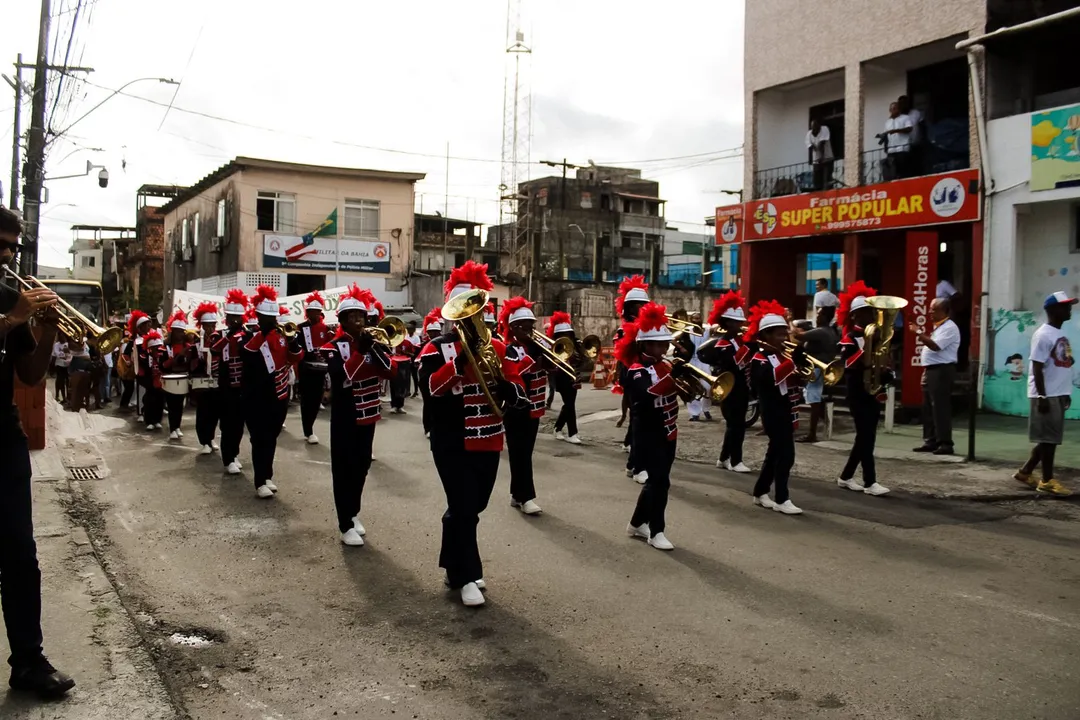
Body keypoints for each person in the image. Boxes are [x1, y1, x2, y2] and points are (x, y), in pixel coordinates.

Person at [418, 261, 527, 607]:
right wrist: (460, 364)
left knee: (471, 506)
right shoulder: (435, 348)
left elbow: (515, 378)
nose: (469, 319)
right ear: (452, 315)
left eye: (474, 311)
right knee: (464, 506)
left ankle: (454, 564)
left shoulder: (495, 346)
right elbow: (430, 388)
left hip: (489, 439)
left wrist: (513, 389)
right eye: (462, 313)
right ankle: (467, 574)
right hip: (452, 442)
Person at [0, 208, 76, 699]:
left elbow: (29, 376)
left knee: (21, 554)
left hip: (2, 437)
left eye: (13, 245)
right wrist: (14, 319)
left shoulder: (9, 294)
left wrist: (48, 326)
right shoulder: (11, 306)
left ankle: (28, 659)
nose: (7, 254)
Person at [322, 285, 397, 545]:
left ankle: (352, 512)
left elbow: (391, 372)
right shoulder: (333, 347)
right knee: (343, 469)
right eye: (351, 316)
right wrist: (360, 352)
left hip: (369, 415)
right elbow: (341, 378)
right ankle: (345, 524)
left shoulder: (371, 342)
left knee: (362, 466)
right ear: (341, 321)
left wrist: (375, 349)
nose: (357, 320)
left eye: (361, 316)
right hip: (345, 416)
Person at [620, 303, 680, 551]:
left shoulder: (664, 365)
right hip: (648, 434)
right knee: (660, 482)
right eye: (656, 344)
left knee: (657, 481)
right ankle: (657, 531)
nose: (662, 348)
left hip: (669, 431)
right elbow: (646, 394)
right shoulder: (635, 371)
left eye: (664, 343)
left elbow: (679, 392)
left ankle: (635, 524)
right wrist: (673, 377)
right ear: (643, 345)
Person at [243, 286, 304, 499]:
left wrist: (293, 339)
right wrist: (264, 332)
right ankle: (260, 481)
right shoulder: (253, 337)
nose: (270, 320)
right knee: (259, 438)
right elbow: (249, 356)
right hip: (257, 396)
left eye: (272, 317)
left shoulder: (282, 336)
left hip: (279, 393)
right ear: (258, 317)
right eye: (265, 317)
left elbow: (297, 357)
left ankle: (267, 475)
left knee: (271, 437)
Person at [1013, 292, 1077, 496]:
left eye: (1069, 305)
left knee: (1048, 439)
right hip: (1046, 394)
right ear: (1052, 310)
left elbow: (1065, 364)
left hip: (1058, 393)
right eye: (1065, 306)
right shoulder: (1043, 335)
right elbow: (1037, 367)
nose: (1069, 309)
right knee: (1049, 440)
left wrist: (1066, 392)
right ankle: (1047, 480)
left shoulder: (1060, 335)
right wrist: (1042, 396)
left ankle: (1025, 472)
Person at [747, 300, 805, 515]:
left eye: (784, 333)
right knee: (785, 455)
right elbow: (768, 381)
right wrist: (792, 364)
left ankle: (760, 491)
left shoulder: (781, 356)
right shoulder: (759, 359)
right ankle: (782, 498)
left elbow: (787, 381)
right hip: (772, 410)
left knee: (775, 454)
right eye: (778, 334)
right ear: (765, 336)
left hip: (786, 407)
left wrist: (799, 375)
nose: (783, 338)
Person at [835, 282, 892, 496]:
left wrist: (886, 370)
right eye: (864, 312)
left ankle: (847, 476)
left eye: (871, 311)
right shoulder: (849, 339)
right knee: (865, 436)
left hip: (873, 390)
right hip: (857, 391)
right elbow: (846, 364)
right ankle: (870, 482)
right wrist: (867, 348)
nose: (870, 316)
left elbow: (881, 362)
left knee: (867, 437)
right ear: (855, 316)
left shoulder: (876, 337)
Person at [500, 297, 547, 515]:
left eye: (531, 327)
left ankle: (517, 494)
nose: (530, 331)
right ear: (514, 328)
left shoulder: (538, 347)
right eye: (526, 328)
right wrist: (532, 358)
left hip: (534, 408)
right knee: (520, 453)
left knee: (525, 452)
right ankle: (526, 497)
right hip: (516, 408)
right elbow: (513, 374)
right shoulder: (508, 348)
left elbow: (551, 369)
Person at [701, 291, 753, 473]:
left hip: (741, 387)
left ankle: (724, 458)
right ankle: (735, 460)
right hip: (730, 388)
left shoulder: (739, 341)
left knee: (736, 424)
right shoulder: (723, 343)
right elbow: (735, 363)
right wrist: (751, 346)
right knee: (736, 425)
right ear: (728, 323)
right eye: (737, 322)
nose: (741, 325)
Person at [910, 298, 960, 455]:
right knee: (928, 407)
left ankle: (945, 443)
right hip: (931, 370)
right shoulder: (938, 327)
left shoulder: (950, 328)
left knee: (940, 407)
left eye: (934, 309)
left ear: (944, 311)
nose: (930, 312)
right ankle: (930, 440)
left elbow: (935, 346)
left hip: (942, 371)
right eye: (930, 309)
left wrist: (918, 332)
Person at [614, 275, 651, 484]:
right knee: (639, 420)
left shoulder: (647, 326)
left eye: (643, 304)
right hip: (633, 375)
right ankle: (637, 466)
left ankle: (633, 464)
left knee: (642, 421)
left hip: (649, 375)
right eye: (636, 305)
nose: (640, 308)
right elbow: (624, 355)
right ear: (628, 308)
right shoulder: (623, 329)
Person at [210, 289, 250, 475]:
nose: (235, 320)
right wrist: (229, 335)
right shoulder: (219, 335)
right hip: (226, 386)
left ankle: (234, 454)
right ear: (226, 318)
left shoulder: (248, 334)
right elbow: (214, 350)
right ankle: (228, 459)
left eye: (238, 317)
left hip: (242, 386)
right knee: (228, 424)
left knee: (239, 424)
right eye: (231, 317)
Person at [793, 303, 840, 443]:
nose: (816, 316)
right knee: (814, 399)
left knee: (814, 401)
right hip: (817, 368)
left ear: (825, 317)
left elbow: (798, 336)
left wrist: (788, 320)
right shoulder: (829, 331)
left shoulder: (822, 331)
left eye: (819, 314)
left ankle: (812, 434)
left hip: (817, 368)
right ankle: (827, 422)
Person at [296, 292, 333, 444]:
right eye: (312, 312)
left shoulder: (325, 328)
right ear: (308, 313)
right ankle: (308, 430)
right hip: (306, 368)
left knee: (317, 399)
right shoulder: (300, 328)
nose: (316, 314)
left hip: (320, 369)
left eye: (318, 312)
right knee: (306, 400)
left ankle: (310, 425)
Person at [191, 302, 222, 455]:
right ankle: (204, 441)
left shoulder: (219, 340)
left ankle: (211, 438)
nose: (210, 329)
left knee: (215, 412)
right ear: (201, 326)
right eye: (207, 325)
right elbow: (192, 363)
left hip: (216, 381)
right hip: (202, 381)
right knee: (203, 412)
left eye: (212, 325)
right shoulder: (196, 342)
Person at [161, 310, 197, 440]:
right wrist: (178, 357)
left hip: (183, 377)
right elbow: (163, 365)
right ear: (172, 331)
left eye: (182, 331)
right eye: (177, 331)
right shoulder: (165, 346)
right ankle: (172, 428)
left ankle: (177, 427)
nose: (180, 334)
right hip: (170, 378)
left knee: (180, 404)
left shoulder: (187, 346)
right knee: (172, 404)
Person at [548, 311, 583, 442]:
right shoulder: (554, 346)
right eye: (563, 334)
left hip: (574, 376)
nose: (566, 336)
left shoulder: (575, 345)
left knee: (569, 404)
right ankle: (572, 433)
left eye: (568, 334)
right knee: (569, 404)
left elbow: (582, 362)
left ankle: (557, 428)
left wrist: (580, 352)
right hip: (561, 377)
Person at [418, 308, 443, 440]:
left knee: (438, 404)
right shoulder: (425, 345)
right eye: (431, 332)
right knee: (428, 403)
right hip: (425, 379)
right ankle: (427, 427)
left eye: (436, 332)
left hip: (439, 378)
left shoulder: (442, 343)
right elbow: (417, 362)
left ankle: (436, 426)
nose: (434, 334)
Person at [140, 330, 166, 430]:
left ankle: (158, 420)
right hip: (150, 383)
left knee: (160, 401)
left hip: (160, 382)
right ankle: (149, 421)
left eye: (158, 347)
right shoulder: (145, 357)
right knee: (149, 401)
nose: (157, 350)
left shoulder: (162, 356)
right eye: (155, 348)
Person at [883, 101, 914, 180]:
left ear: (899, 109)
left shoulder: (905, 117)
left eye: (895, 108)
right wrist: (886, 148)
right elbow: (887, 135)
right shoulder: (888, 122)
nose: (894, 110)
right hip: (891, 150)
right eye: (892, 109)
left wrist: (896, 131)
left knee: (904, 172)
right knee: (893, 172)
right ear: (890, 110)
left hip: (902, 148)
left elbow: (909, 129)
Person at [898, 95, 924, 174]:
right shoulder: (898, 117)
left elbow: (922, 126)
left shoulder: (916, 113)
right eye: (901, 103)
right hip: (903, 148)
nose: (903, 105)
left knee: (917, 168)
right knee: (905, 170)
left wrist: (923, 140)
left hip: (916, 145)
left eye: (905, 103)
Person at [806, 117, 834, 191]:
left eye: (816, 127)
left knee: (827, 180)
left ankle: (827, 195)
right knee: (817, 182)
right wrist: (811, 161)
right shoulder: (809, 134)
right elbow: (810, 147)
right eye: (813, 128)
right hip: (817, 161)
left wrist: (822, 158)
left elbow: (822, 144)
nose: (814, 130)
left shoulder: (824, 129)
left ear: (819, 125)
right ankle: (818, 195)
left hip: (827, 159)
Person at [403, 320, 422, 398]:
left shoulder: (416, 338)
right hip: (407, 357)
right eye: (408, 329)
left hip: (413, 357)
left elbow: (417, 349)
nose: (409, 331)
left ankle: (416, 390)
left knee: (414, 375)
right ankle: (407, 391)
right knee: (407, 375)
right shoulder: (405, 336)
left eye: (410, 329)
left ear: (413, 330)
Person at [51, 337, 69, 403]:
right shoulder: (56, 345)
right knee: (60, 381)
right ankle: (59, 396)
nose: (62, 338)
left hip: (67, 365)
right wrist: (52, 367)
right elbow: (54, 355)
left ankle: (68, 397)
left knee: (67, 381)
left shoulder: (68, 344)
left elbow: (70, 354)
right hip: (59, 365)